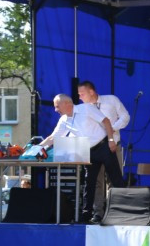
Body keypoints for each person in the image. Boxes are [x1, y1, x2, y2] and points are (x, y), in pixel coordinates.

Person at [40, 93, 125, 223]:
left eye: (57, 106)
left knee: (115, 180)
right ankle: (87, 215)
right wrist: (35, 149)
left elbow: (106, 121)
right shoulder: (63, 120)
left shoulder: (86, 108)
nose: (56, 110)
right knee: (89, 183)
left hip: (104, 147)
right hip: (87, 151)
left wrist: (111, 140)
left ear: (67, 103)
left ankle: (122, 213)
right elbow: (52, 137)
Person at [77, 81, 131, 218]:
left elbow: (125, 116)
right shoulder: (83, 108)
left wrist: (112, 129)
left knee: (114, 179)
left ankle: (116, 212)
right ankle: (97, 213)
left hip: (112, 145)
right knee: (95, 181)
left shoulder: (111, 100)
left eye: (82, 93)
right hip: (93, 148)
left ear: (91, 92)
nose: (80, 97)